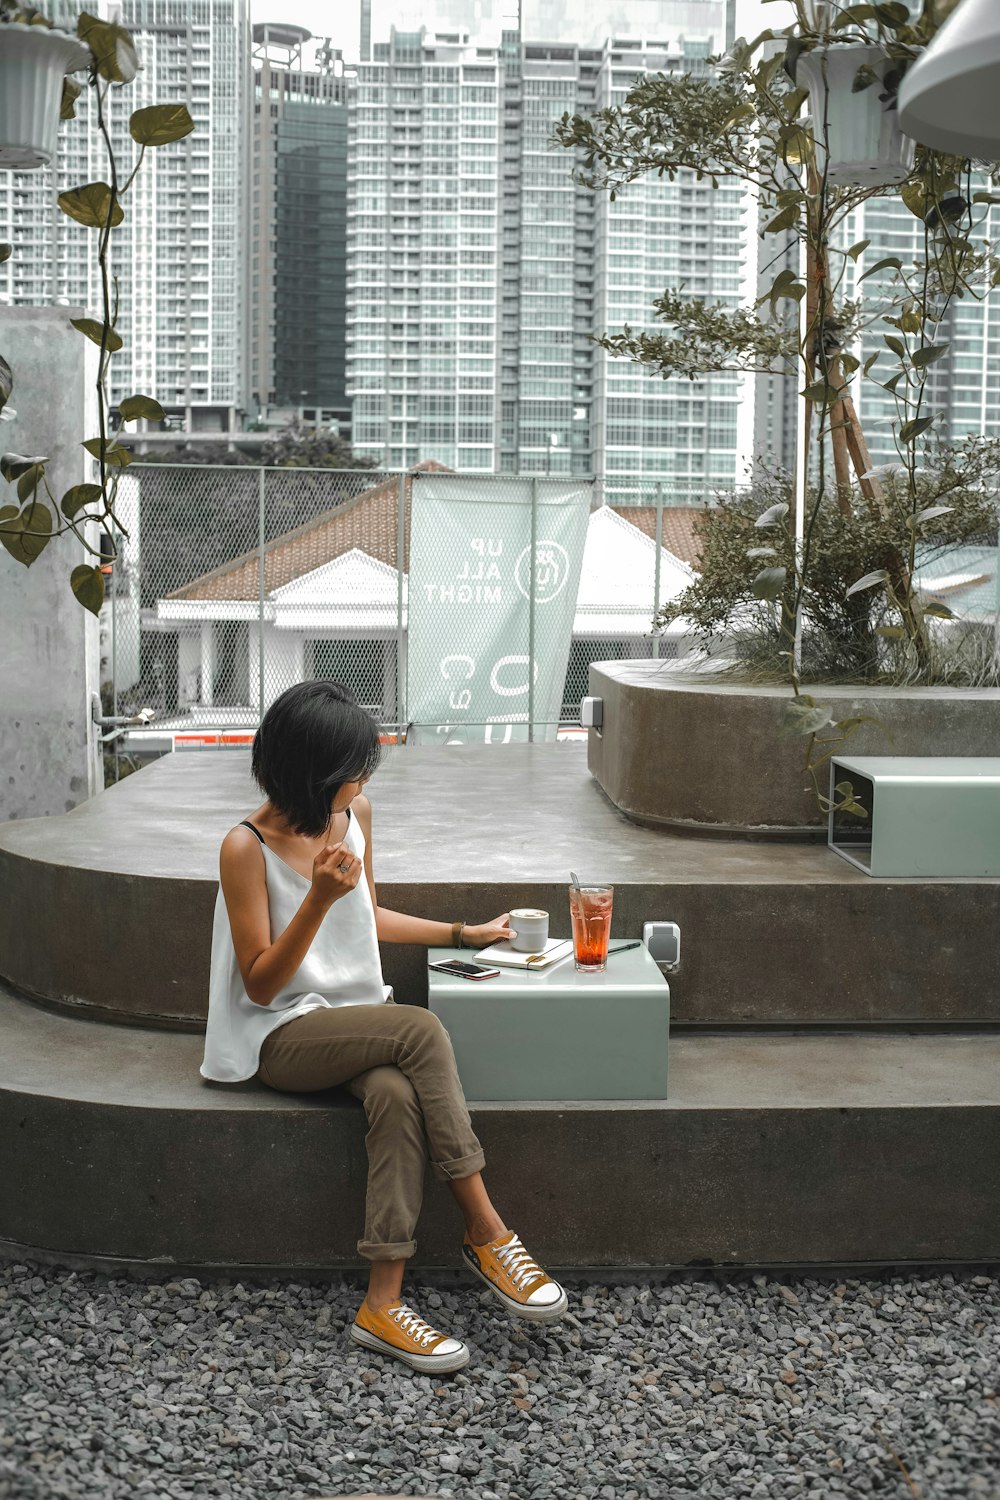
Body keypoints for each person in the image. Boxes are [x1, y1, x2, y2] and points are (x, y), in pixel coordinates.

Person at [201, 680, 568, 1373]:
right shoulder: (244, 847)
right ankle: (487, 1230)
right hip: (278, 1035)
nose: (363, 779)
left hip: (352, 1021)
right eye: (351, 768)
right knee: (420, 1030)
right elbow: (260, 981)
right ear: (312, 771)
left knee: (397, 1097)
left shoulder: (354, 811)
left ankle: (382, 1304)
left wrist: (464, 931)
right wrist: (315, 898)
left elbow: (367, 916)